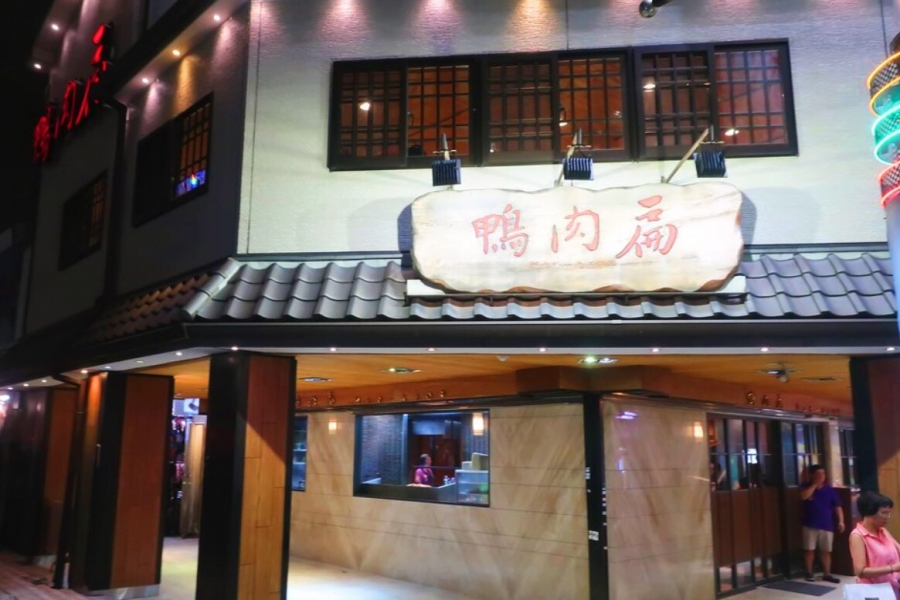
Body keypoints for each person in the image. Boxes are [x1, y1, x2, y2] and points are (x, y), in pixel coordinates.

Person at [849, 491, 900, 598]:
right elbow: (860, 571)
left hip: (894, 587)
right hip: (875, 591)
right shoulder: (858, 536)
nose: (887, 517)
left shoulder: (882, 531)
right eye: (884, 513)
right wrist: (893, 568)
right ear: (869, 513)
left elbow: (898, 548)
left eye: (888, 513)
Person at [800, 464, 845, 583]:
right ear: (812, 475)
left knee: (826, 551)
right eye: (818, 474)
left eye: (823, 473)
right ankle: (809, 572)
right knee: (809, 550)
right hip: (810, 524)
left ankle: (827, 573)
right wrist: (815, 485)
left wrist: (841, 521)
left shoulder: (830, 489)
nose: (821, 476)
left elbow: (838, 507)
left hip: (827, 524)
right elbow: (803, 497)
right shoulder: (805, 486)